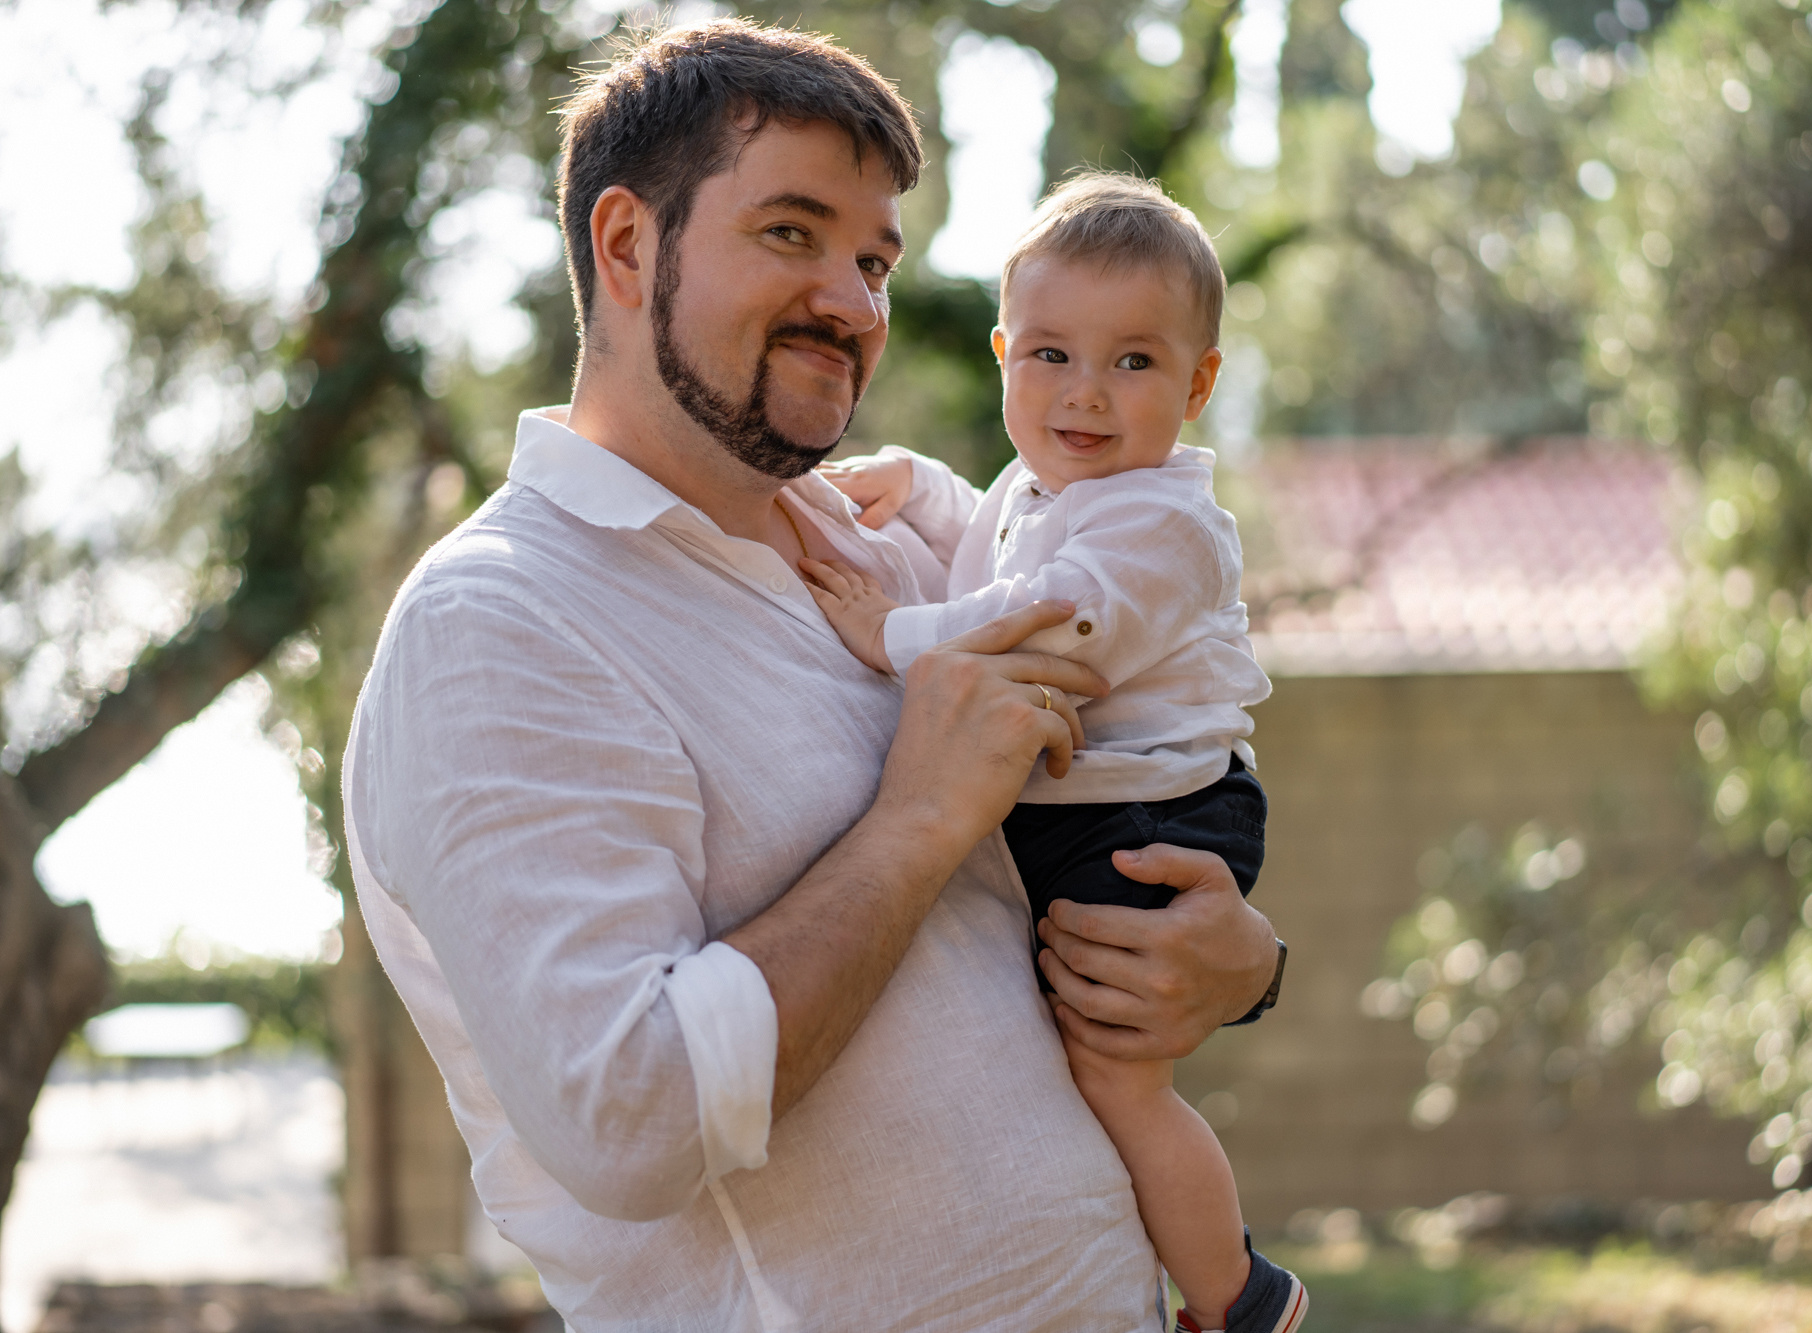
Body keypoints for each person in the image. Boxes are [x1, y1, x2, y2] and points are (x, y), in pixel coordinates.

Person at [340, 20, 1285, 1332]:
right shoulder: (498, 626)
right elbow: (630, 1114)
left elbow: (1128, 786)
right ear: (626, 246)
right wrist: (916, 821)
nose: (852, 299)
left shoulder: (888, 550)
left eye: (874, 258)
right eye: (792, 233)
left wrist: (1240, 963)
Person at [806, 174, 1303, 1333]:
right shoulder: (1044, 487)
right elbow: (988, 542)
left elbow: (1049, 623)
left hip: (1155, 819)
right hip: (1099, 805)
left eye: (1132, 363)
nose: (1084, 394)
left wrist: (887, 634)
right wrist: (916, 487)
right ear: (1001, 358)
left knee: (1117, 1076)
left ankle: (1238, 1296)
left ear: (1197, 382)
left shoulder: (1162, 524)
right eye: (1048, 357)